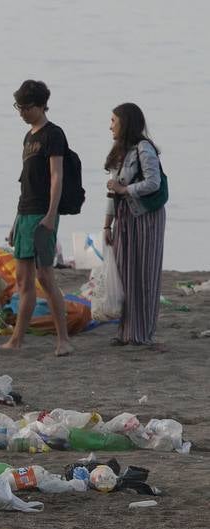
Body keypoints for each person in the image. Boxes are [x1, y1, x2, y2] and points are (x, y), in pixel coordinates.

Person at [0, 79, 72, 356]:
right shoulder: (29, 136)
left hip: (43, 214)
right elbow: (25, 182)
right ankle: (17, 338)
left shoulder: (53, 134)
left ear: (41, 106)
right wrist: (15, 221)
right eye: (18, 107)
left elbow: (57, 176)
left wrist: (52, 214)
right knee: (23, 280)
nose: (22, 112)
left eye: (26, 107)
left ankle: (63, 339)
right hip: (25, 213)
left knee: (46, 277)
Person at [103, 103, 167, 350]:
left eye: (113, 121)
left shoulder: (144, 148)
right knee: (124, 272)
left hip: (145, 217)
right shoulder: (118, 152)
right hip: (124, 217)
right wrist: (107, 225)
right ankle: (127, 330)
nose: (110, 126)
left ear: (125, 123)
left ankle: (142, 332)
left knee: (144, 273)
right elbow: (111, 192)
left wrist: (124, 189)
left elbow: (153, 182)